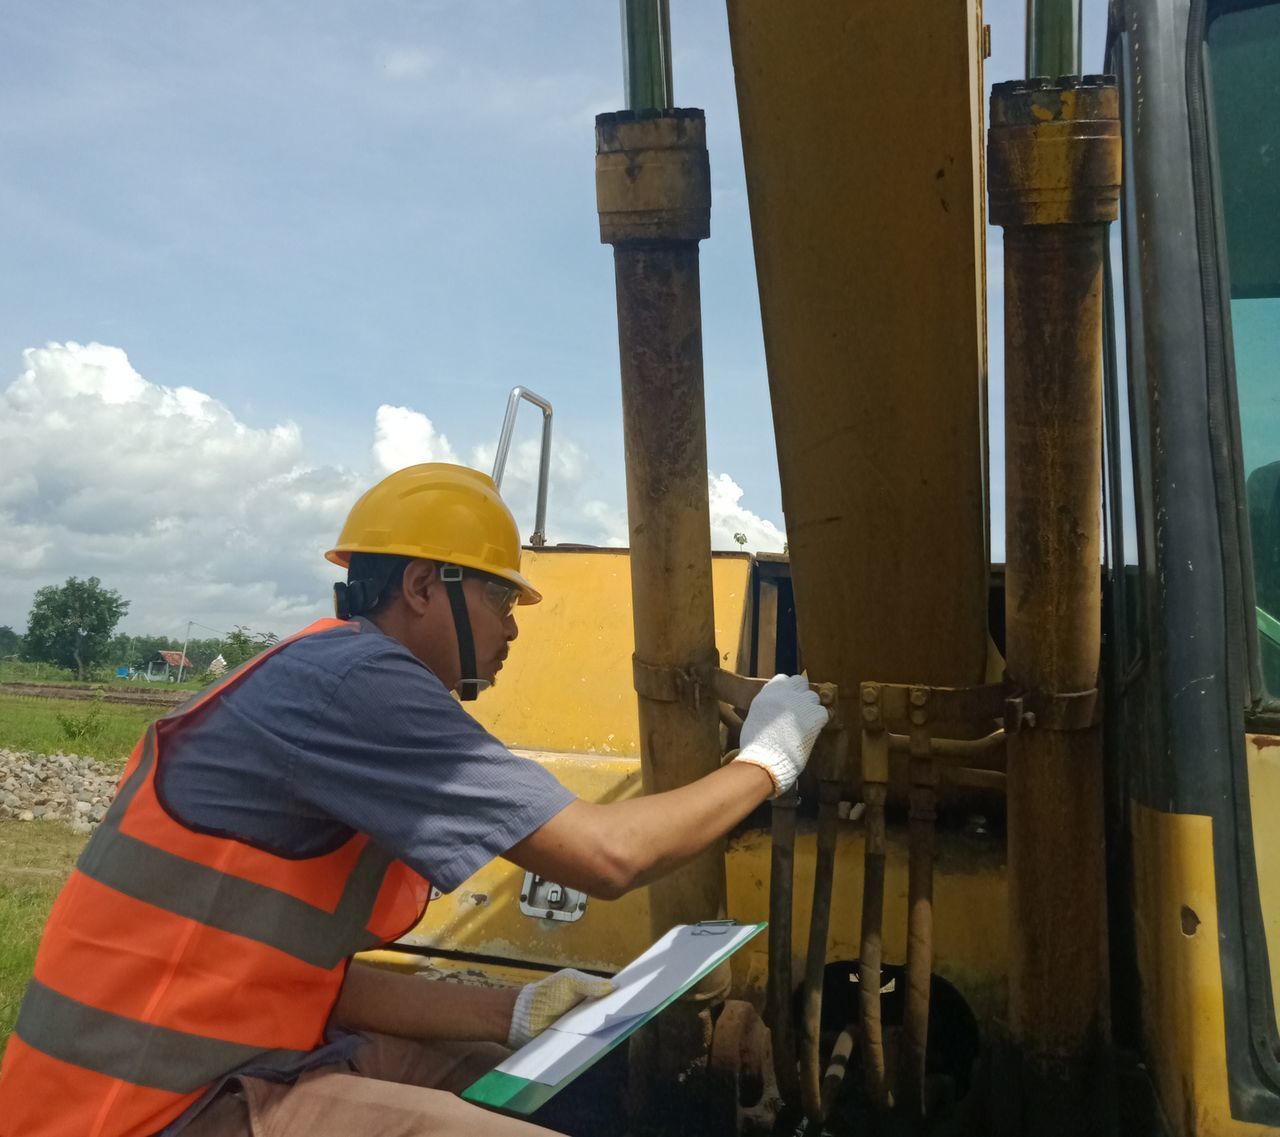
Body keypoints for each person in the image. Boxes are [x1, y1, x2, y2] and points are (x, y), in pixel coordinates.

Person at [0, 463, 827, 1137]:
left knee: (524, 1084)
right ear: (427, 586)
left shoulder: (325, 671)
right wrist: (771, 756)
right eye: (502, 599)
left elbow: (309, 977)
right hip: (141, 1111)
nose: (513, 627)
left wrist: (516, 1008)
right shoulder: (357, 686)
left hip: (221, 1061)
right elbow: (607, 855)